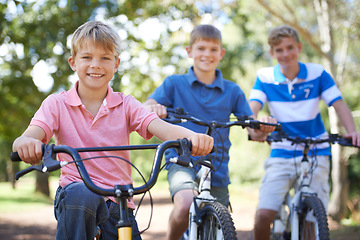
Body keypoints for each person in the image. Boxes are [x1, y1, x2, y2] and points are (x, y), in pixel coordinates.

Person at [12, 21, 214, 240]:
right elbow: (29, 136)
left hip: (119, 201)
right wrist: (26, 143)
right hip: (77, 200)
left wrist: (193, 138)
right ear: (73, 62)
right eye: (87, 57)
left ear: (116, 64)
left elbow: (161, 128)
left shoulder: (126, 104)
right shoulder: (56, 104)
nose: (96, 65)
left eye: (105, 58)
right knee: (82, 194)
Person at [144, 24, 276, 240]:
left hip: (217, 164)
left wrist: (263, 126)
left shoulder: (232, 90)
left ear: (221, 53)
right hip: (182, 158)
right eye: (201, 48)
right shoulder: (174, 84)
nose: (207, 54)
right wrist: (153, 107)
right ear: (189, 51)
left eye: (213, 49)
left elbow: (253, 130)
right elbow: (147, 105)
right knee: (185, 204)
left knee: (220, 225)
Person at [249, 24, 360, 240]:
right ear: (272, 53)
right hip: (282, 150)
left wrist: (353, 131)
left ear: (299, 47)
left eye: (290, 47)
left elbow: (338, 104)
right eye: (279, 50)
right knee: (263, 215)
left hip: (316, 149)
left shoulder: (317, 74)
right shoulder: (264, 77)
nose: (286, 54)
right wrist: (256, 127)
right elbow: (251, 109)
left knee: (311, 218)